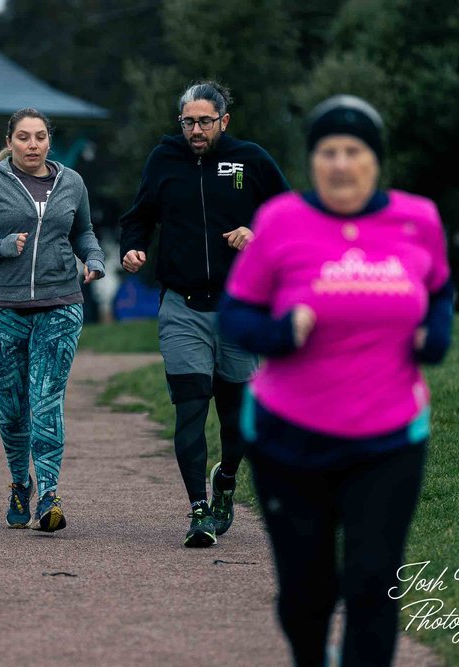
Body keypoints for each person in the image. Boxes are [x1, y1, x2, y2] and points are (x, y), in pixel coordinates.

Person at [220, 95, 453, 666]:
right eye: (329, 152)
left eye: (354, 151)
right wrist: (280, 333)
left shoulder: (417, 218)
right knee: (307, 595)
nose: (341, 164)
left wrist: (435, 334)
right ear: (313, 160)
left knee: (374, 582)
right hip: (288, 438)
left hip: (390, 436)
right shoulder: (280, 222)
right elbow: (236, 315)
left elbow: (441, 289)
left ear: (375, 160)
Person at [119, 81, 289, 547]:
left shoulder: (250, 159)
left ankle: (226, 480)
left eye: (205, 122)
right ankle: (197, 509)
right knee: (190, 410)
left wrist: (257, 233)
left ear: (223, 121)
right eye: (188, 122)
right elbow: (138, 216)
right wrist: (132, 248)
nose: (196, 130)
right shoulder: (164, 160)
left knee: (237, 422)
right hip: (182, 306)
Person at [0, 108, 105, 532]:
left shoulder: (70, 182)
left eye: (39, 137)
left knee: (47, 400)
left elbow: (85, 231)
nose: (32, 145)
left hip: (60, 302)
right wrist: (1, 246)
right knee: (13, 407)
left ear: (49, 141)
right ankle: (21, 483)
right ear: (10, 141)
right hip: (0, 309)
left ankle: (50, 494)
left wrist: (93, 257)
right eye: (24, 137)